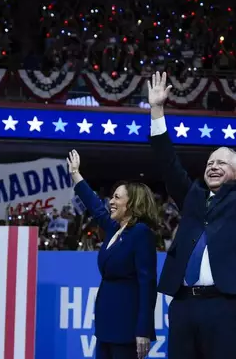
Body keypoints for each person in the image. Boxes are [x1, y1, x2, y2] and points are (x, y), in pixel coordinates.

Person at [147, 69, 236, 359]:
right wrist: (157, 110)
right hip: (184, 304)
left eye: (221, 163)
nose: (212, 166)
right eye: (210, 162)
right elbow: (168, 164)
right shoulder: (193, 196)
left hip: (226, 305)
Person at [67, 150, 158, 359]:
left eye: (117, 197)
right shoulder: (114, 229)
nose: (111, 201)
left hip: (126, 328)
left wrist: (143, 330)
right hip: (106, 325)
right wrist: (75, 175)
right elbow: (96, 206)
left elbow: (148, 284)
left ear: (132, 204)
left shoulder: (141, 233)